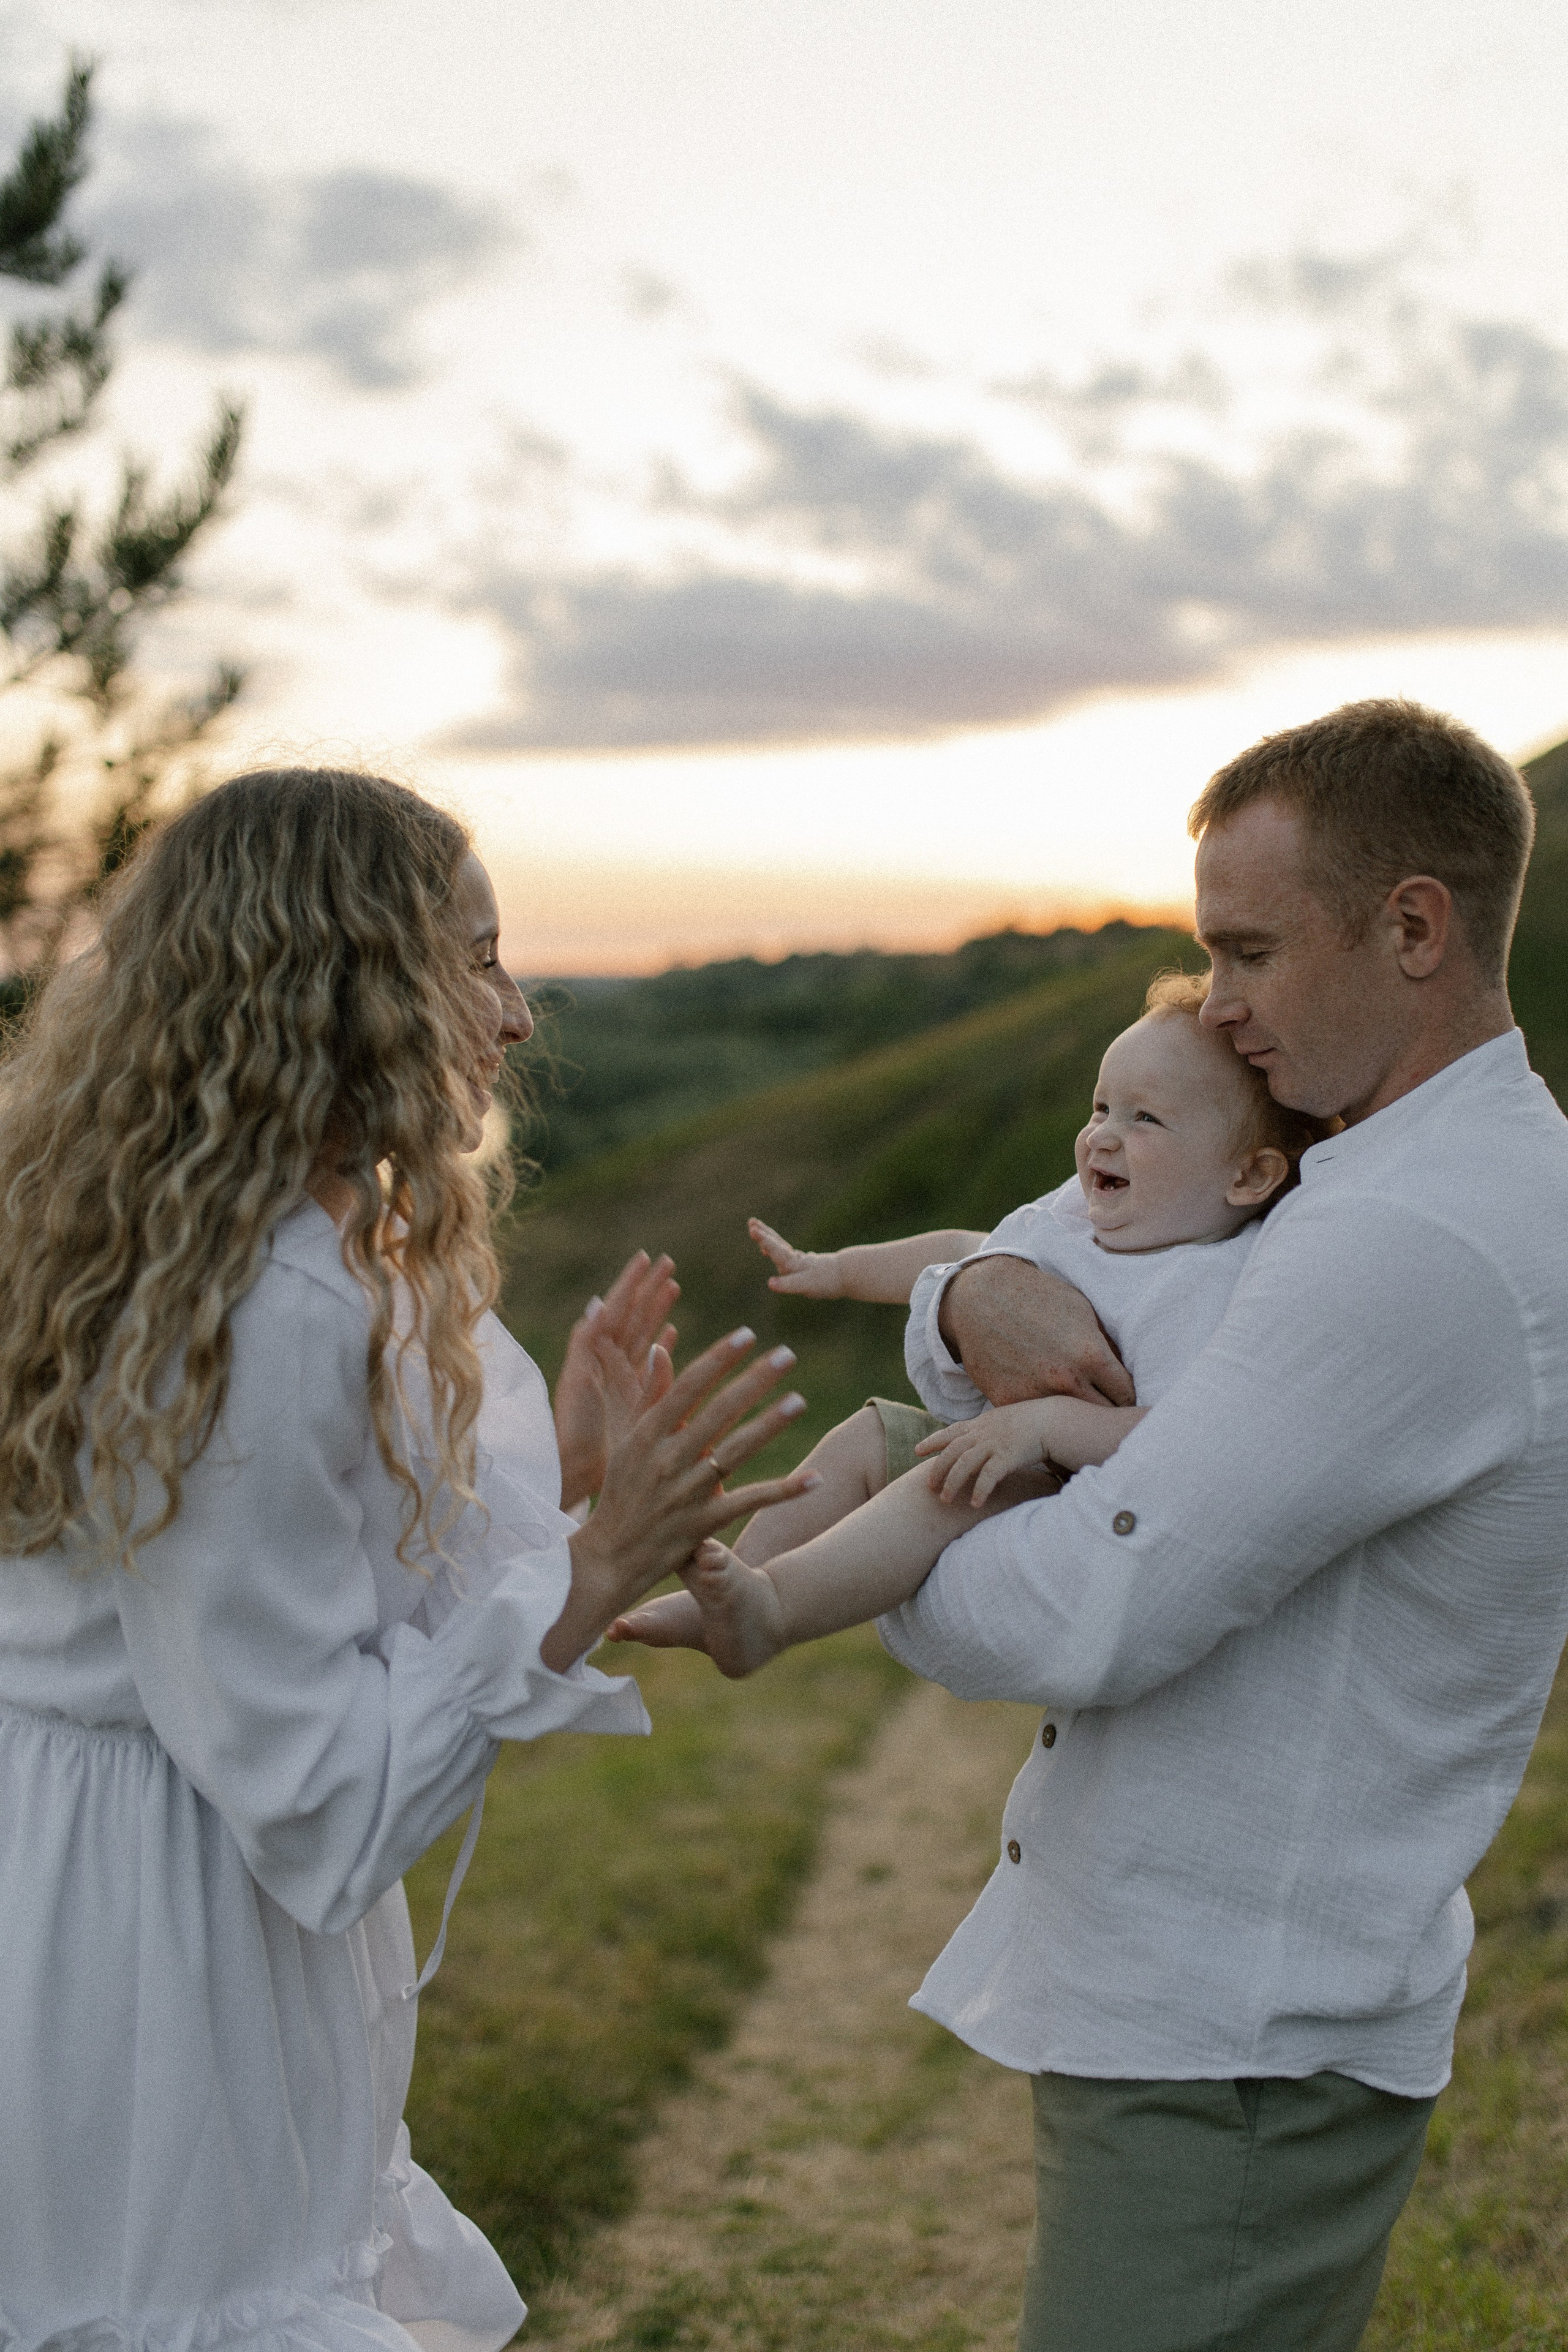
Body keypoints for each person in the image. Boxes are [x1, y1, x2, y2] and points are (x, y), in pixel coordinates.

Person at [641, 699, 1568, 2352]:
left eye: (1248, 951)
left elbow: (1090, 1606)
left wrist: (896, 1535)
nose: (1215, 1003)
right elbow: (1051, 1269)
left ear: (1413, 928)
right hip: (1207, 2012)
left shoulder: (1412, 1237)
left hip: (1244, 2042)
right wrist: (971, 1294)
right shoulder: (1339, 1163)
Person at [0, 768, 813, 2351]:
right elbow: (320, 1800)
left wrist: (565, 1473)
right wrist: (595, 1570)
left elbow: (310, 1585)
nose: (515, 1016)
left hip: (101, 1876)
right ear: (341, 985)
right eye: (477, 962)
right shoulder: (261, 1304)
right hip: (159, 1956)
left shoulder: (191, 1242)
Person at [612, 971, 1329, 1673]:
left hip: (1067, 1491)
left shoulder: (1206, 1287)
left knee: (940, 1487)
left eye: (1145, 1119)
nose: (1102, 1138)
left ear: (1247, 1175)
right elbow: (967, 1250)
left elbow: (1181, 1442)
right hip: (1002, 1448)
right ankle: (736, 1588)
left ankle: (774, 1611)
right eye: (1100, 1108)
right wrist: (837, 1269)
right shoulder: (1081, 1220)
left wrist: (1045, 1425)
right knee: (869, 1436)